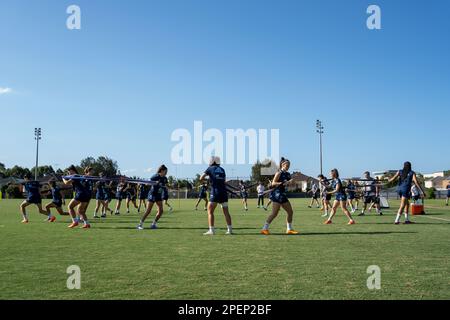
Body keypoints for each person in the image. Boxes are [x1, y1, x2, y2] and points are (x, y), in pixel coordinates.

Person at [260, 157, 299, 235]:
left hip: (282, 194)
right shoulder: (279, 173)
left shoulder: (287, 174)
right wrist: (283, 183)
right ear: (282, 165)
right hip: (277, 194)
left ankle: (288, 229)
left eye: (289, 165)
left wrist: (293, 180)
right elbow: (273, 183)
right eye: (287, 165)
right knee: (278, 213)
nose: (288, 167)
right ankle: (266, 229)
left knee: (286, 212)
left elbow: (291, 185)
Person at [199, 156, 233, 235]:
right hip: (224, 192)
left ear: (212, 162)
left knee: (210, 211)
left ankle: (211, 230)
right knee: (226, 212)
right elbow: (223, 181)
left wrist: (208, 180)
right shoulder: (222, 169)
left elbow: (201, 178)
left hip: (215, 192)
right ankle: (230, 229)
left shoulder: (210, 168)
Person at [137, 165, 168, 230]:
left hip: (158, 195)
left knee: (161, 211)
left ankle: (153, 224)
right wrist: (154, 183)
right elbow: (147, 183)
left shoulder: (165, 178)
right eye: (165, 171)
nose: (166, 172)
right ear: (162, 171)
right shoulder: (155, 176)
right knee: (148, 211)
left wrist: (166, 187)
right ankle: (140, 224)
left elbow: (165, 185)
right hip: (152, 194)